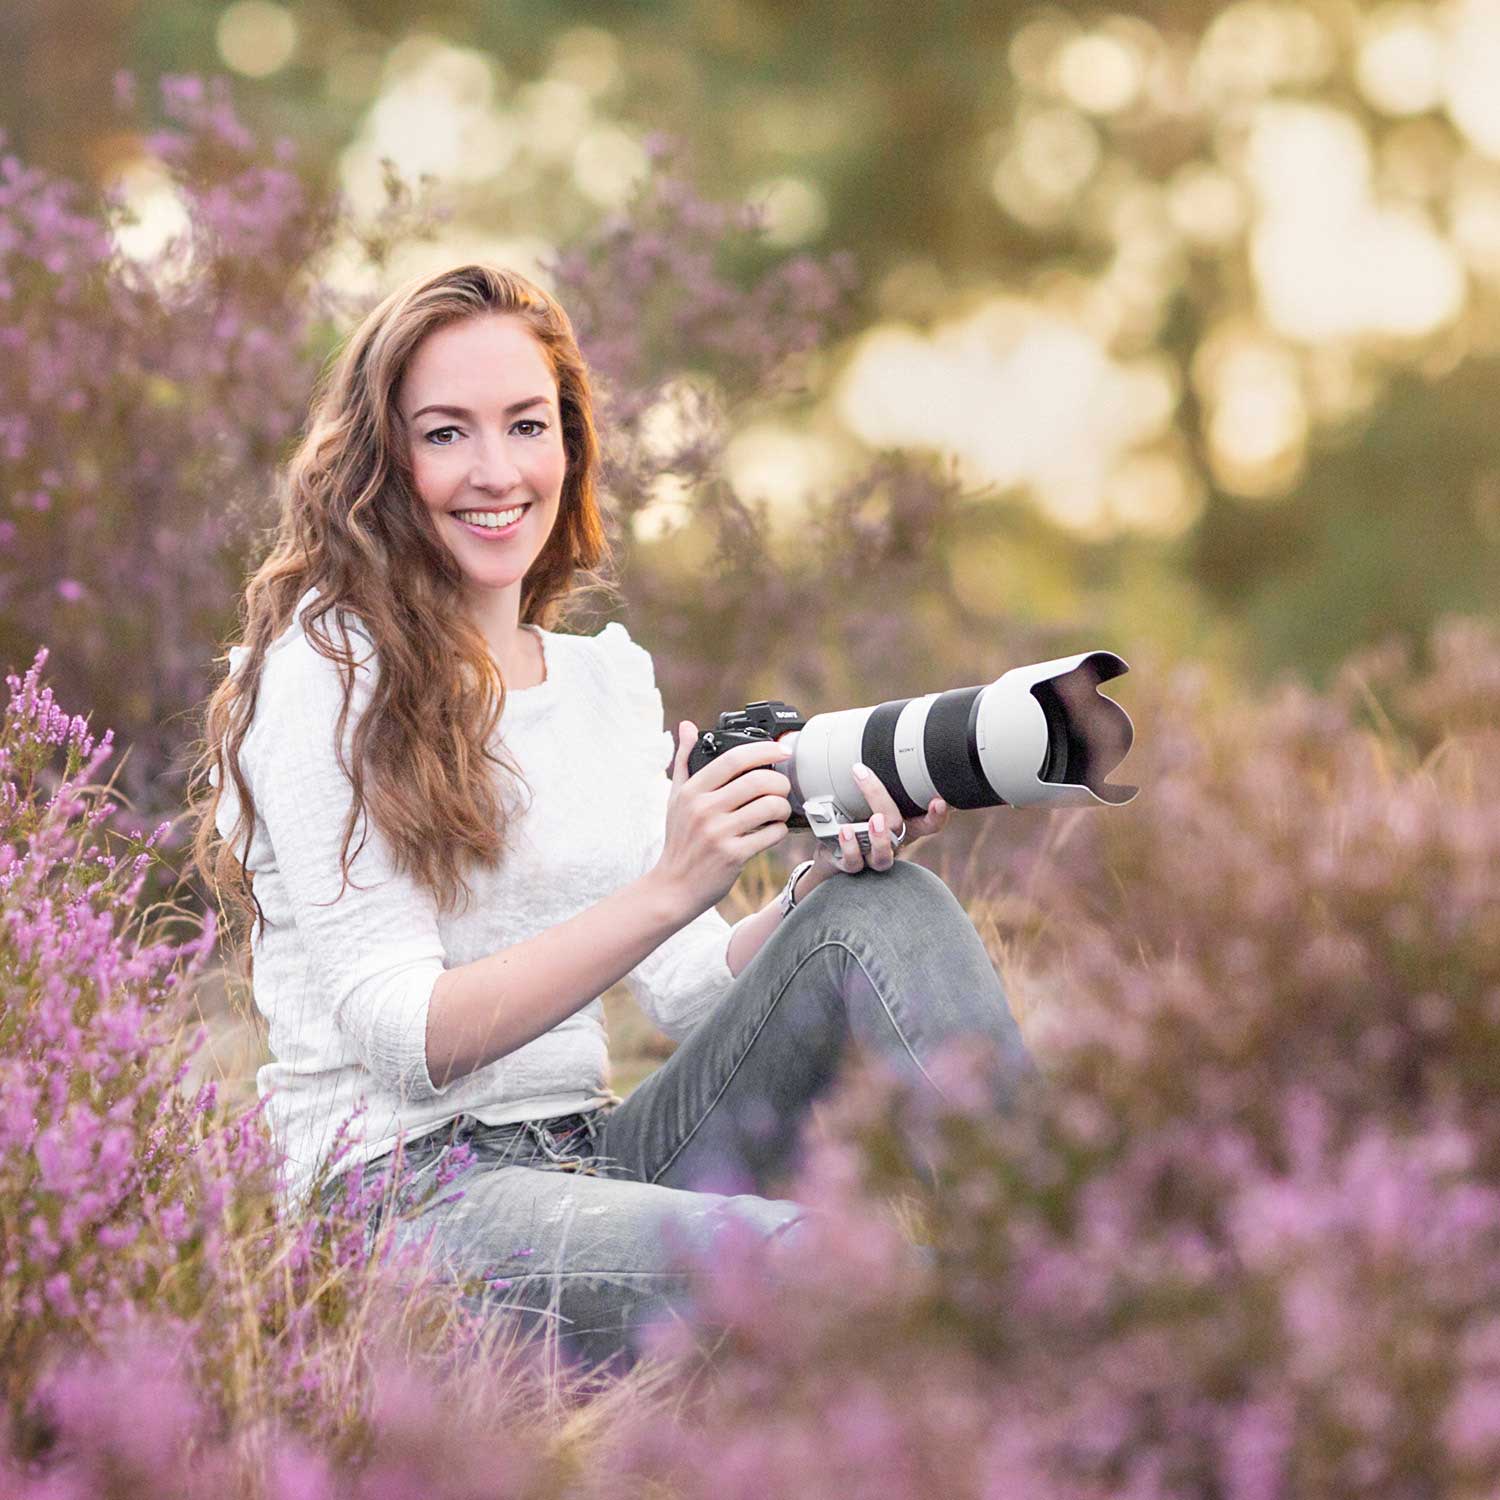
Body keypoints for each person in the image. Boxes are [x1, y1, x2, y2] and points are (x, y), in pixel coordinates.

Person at [192, 261, 1033, 1375]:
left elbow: (684, 983)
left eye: (526, 425)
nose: (496, 471)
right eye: (445, 434)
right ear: (382, 461)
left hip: (599, 1158)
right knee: (820, 1264)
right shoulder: (323, 673)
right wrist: (665, 886)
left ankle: (1064, 1261)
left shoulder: (602, 681)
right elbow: (404, 1039)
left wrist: (806, 890)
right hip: (407, 1204)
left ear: (569, 446)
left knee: (884, 907)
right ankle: (1054, 1367)